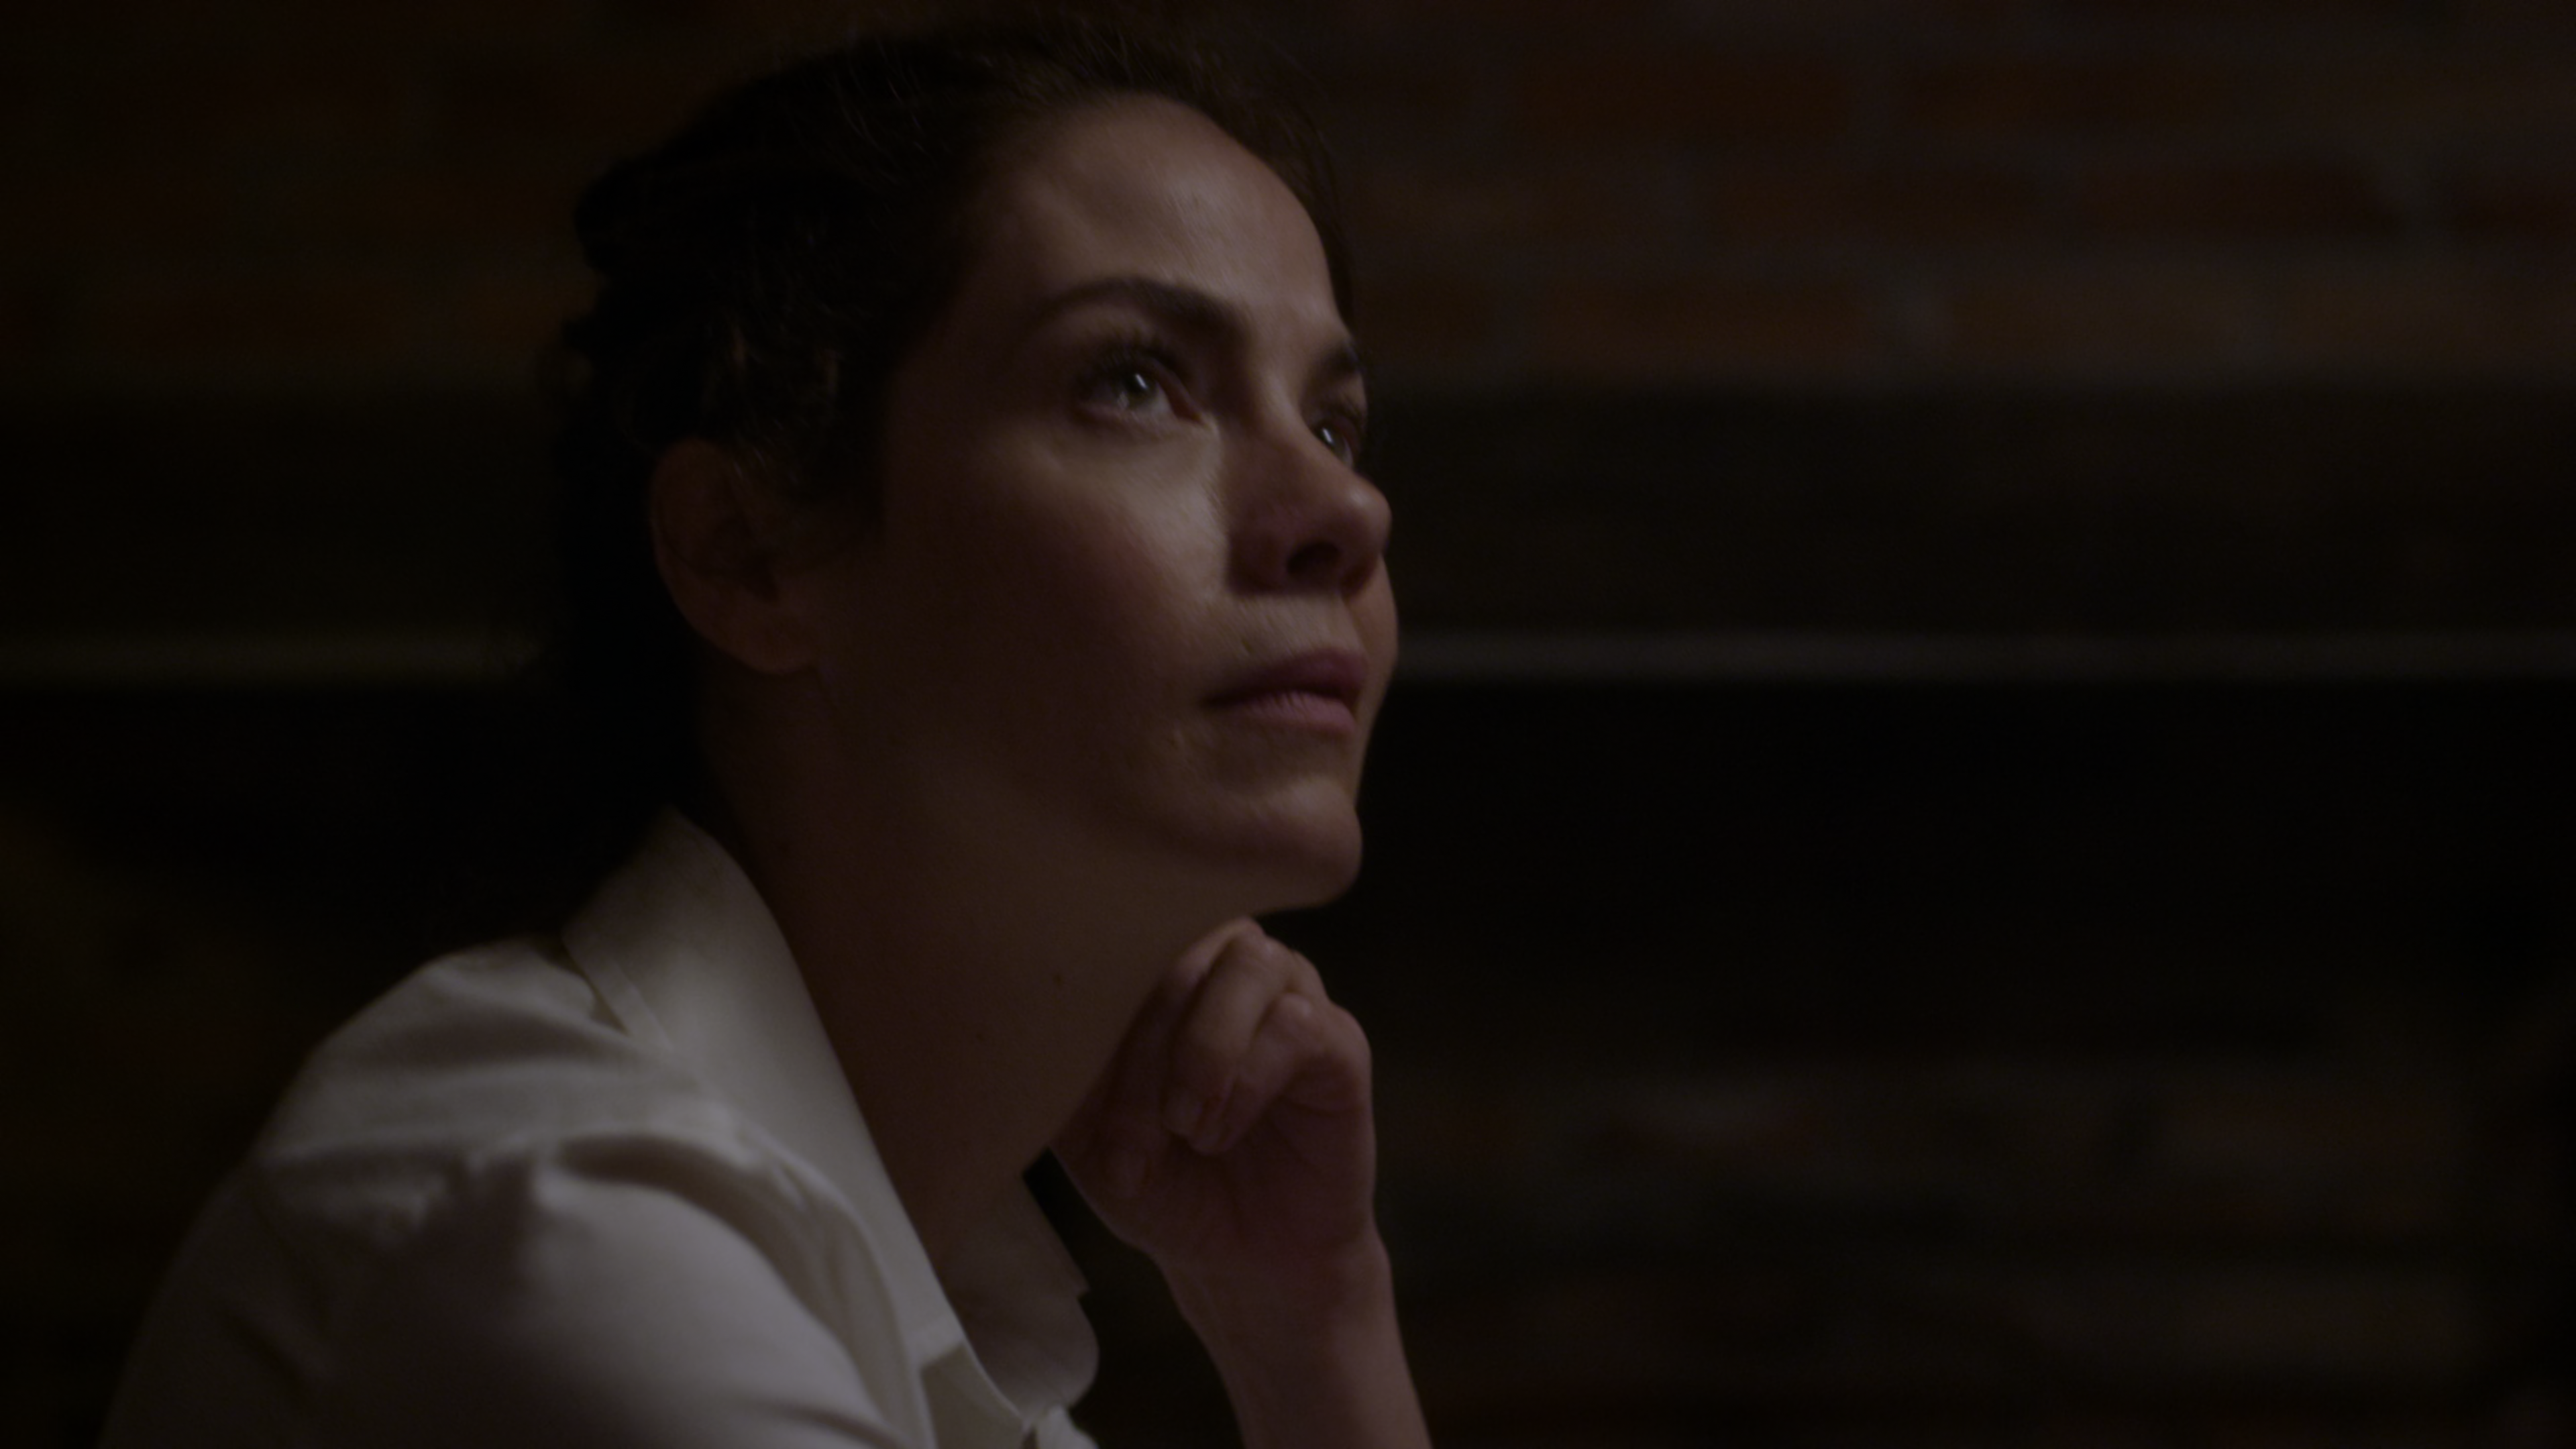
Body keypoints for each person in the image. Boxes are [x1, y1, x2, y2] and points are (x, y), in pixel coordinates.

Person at [100, 15, 1426, 1448]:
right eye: (1134, 381)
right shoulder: (569, 1221)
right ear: (746, 553)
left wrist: (1312, 1325)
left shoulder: (905, 1293)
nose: (1347, 510)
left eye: (1335, 424)